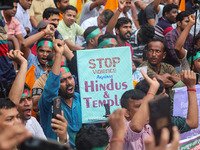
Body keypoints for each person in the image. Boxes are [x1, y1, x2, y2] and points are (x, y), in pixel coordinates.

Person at [39, 39, 82, 148]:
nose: (68, 83)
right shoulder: (50, 103)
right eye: (62, 81)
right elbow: (51, 88)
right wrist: (58, 54)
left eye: (70, 78)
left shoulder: (80, 99)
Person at [107, 70, 160, 150]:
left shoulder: (148, 127)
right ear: (126, 112)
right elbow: (136, 127)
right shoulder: (117, 128)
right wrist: (152, 90)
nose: (145, 110)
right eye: (139, 106)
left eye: (146, 105)